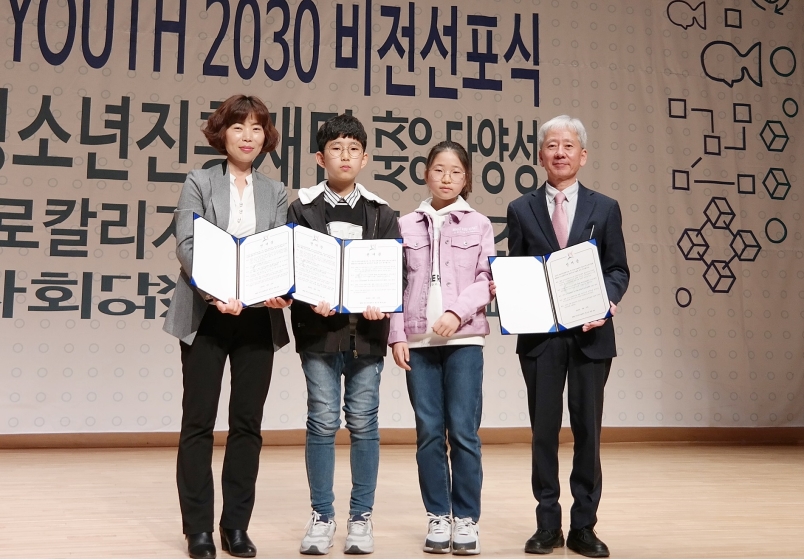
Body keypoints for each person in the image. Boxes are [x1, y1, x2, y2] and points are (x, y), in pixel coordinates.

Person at [163, 94, 292, 559]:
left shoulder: (275, 191)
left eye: (257, 128)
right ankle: (197, 528)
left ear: (266, 137)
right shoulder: (199, 180)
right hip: (206, 315)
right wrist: (215, 294)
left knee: (247, 424)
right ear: (223, 133)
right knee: (198, 422)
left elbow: (280, 249)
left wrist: (280, 291)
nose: (248, 136)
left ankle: (235, 526)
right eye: (239, 127)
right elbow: (187, 243)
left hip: (257, 318)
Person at [506, 115, 629, 558]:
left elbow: (618, 269)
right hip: (540, 339)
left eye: (568, 145)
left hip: (591, 338)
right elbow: (518, 268)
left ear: (583, 155)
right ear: (540, 155)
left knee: (587, 434)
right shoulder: (521, 209)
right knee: (543, 433)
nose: (560, 152)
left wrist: (606, 301)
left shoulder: (605, 207)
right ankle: (547, 526)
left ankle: (583, 527)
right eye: (552, 145)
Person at [287, 114, 401, 555]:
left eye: (353, 149)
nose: (345, 156)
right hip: (320, 334)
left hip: (366, 336)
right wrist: (305, 296)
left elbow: (395, 272)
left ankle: (360, 516)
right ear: (321, 158)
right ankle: (322, 515)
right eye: (336, 148)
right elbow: (291, 266)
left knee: (364, 423)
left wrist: (381, 301)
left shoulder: (381, 212)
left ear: (365, 158)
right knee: (321, 422)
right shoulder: (301, 208)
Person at [389, 141, 495, 555]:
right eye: (439, 169)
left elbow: (487, 279)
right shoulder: (404, 224)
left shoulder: (479, 224)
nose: (446, 178)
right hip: (418, 343)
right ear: (425, 173)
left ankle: (466, 519)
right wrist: (397, 335)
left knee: (464, 431)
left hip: (464, 340)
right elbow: (393, 283)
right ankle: (438, 515)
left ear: (466, 178)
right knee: (429, 432)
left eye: (455, 171)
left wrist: (456, 313)